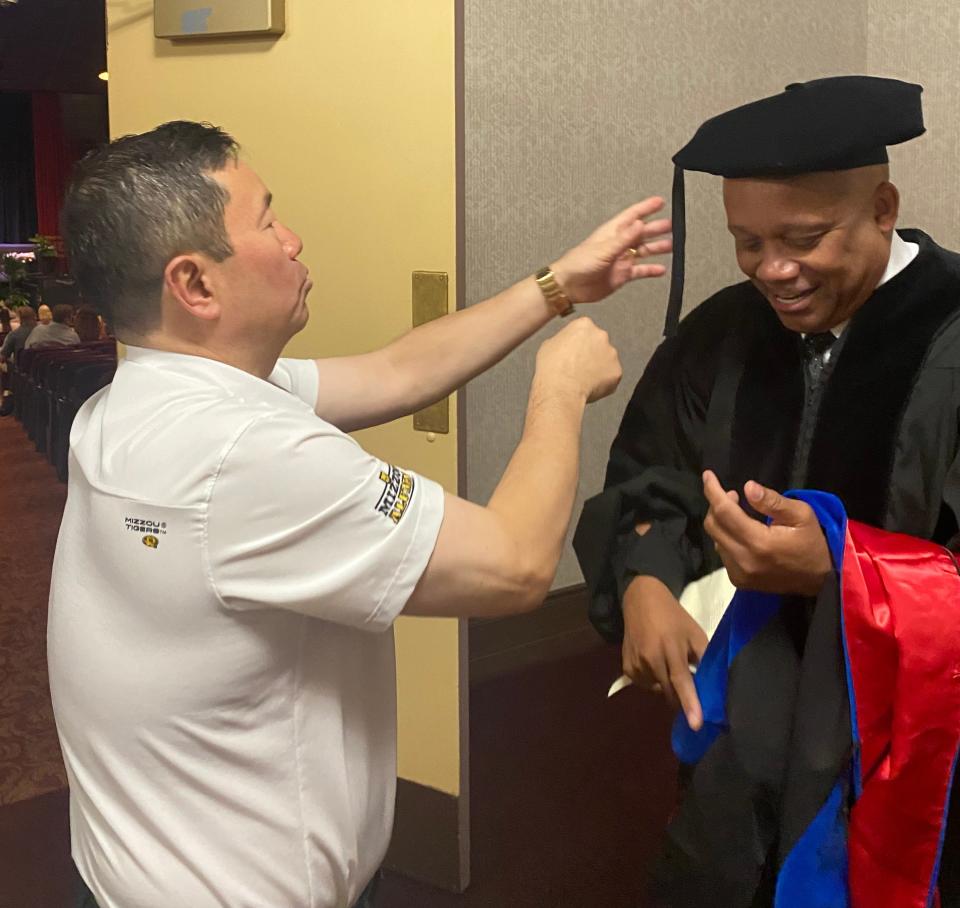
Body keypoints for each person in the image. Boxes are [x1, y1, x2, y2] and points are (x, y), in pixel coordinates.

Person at [48, 120, 672, 908]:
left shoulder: (139, 399)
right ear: (195, 284)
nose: (294, 238)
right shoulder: (244, 455)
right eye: (268, 220)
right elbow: (514, 565)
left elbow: (397, 371)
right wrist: (560, 388)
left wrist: (556, 286)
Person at [574, 75, 960, 905]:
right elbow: (652, 473)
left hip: (913, 746)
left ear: (884, 208)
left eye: (805, 237)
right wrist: (644, 577)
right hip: (741, 728)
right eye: (747, 242)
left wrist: (846, 569)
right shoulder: (724, 331)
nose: (773, 270)